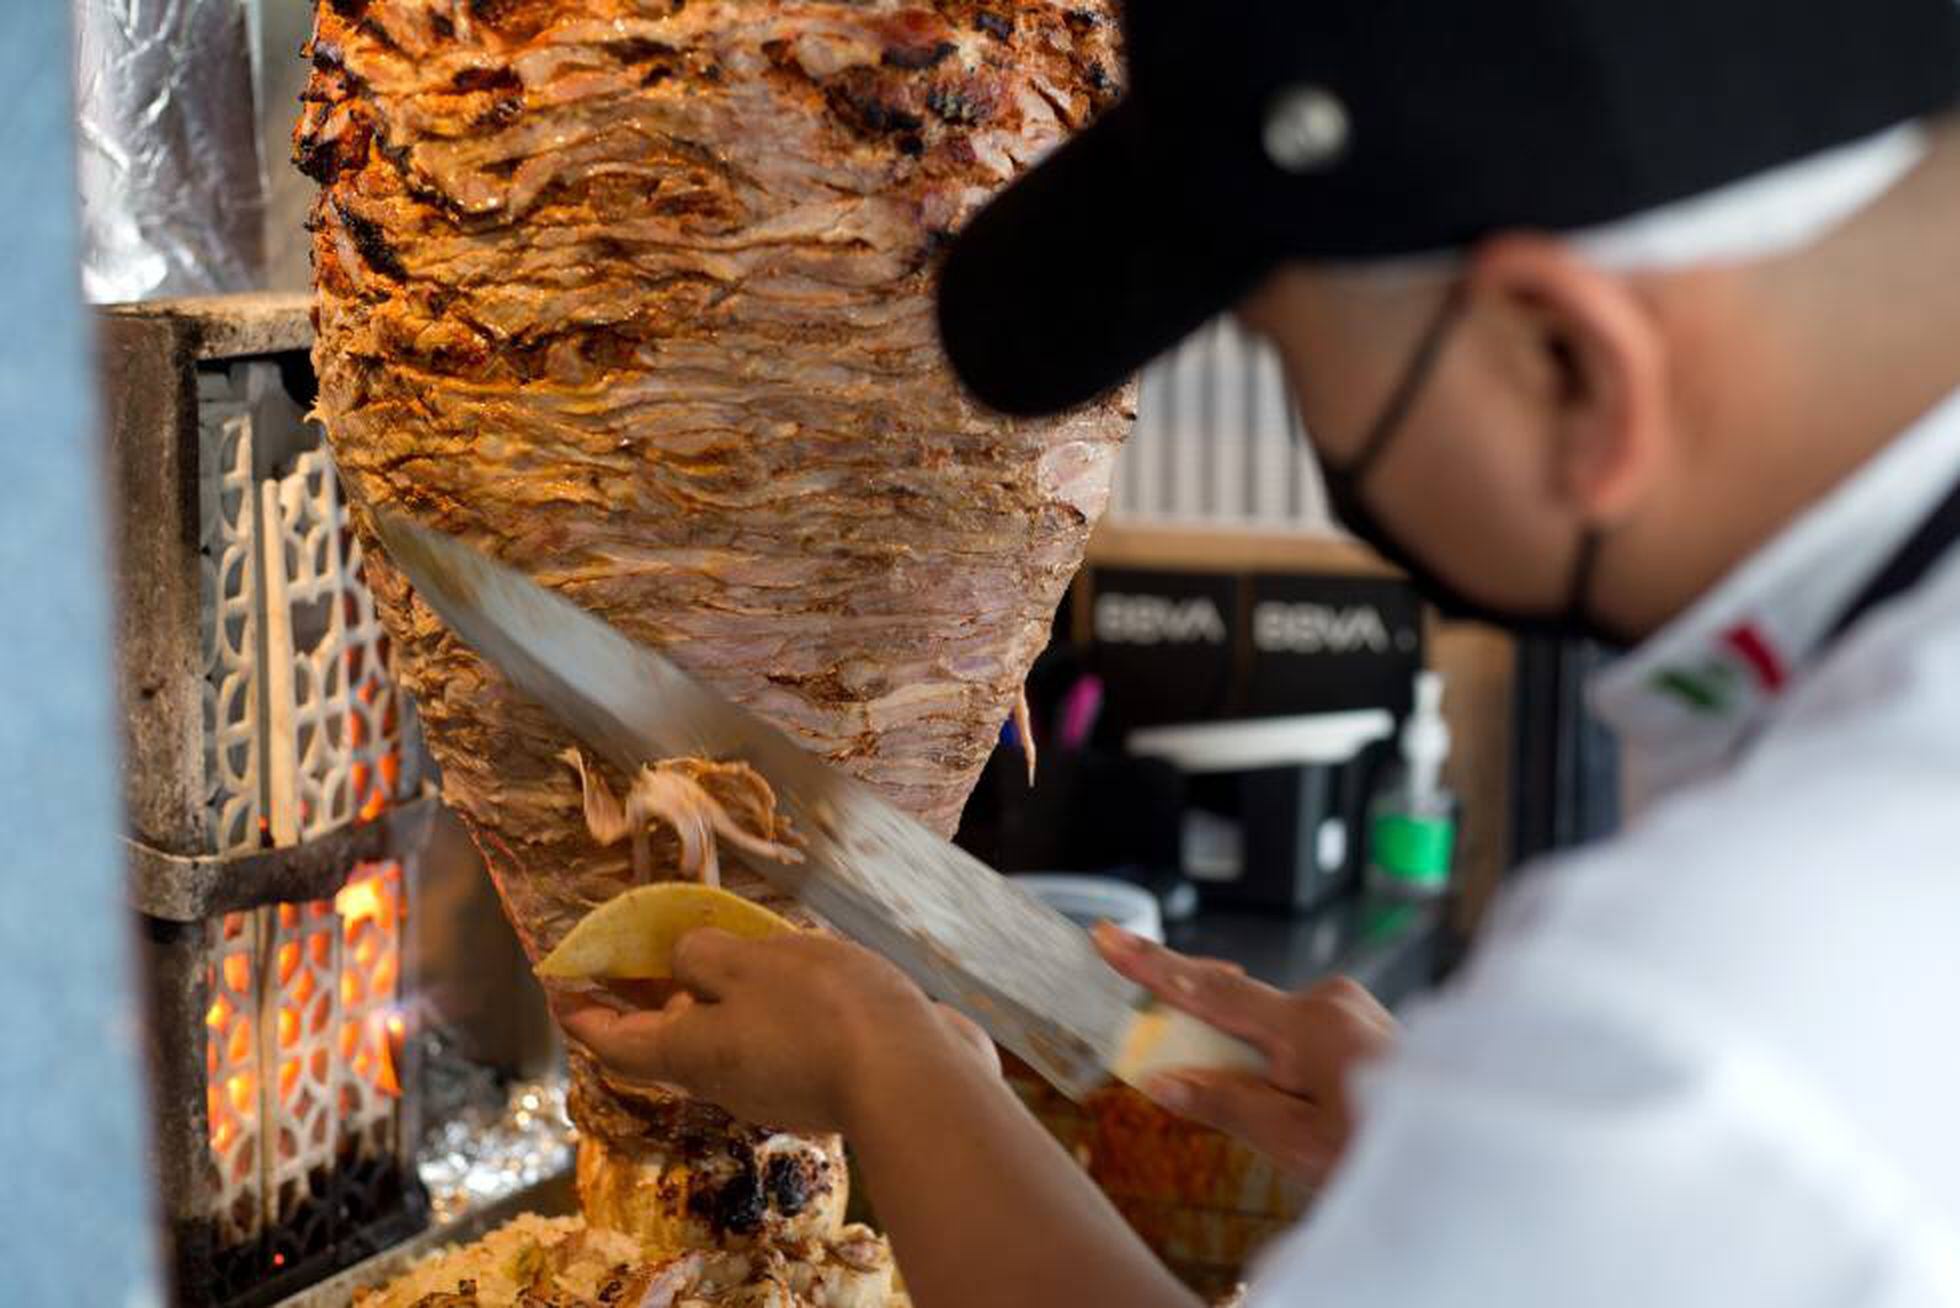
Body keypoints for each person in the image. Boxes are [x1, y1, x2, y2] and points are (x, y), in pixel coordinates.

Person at [557, 0, 1960, 1302]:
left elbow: (1705, 1107)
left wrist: (893, 1065)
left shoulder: (1720, 1032)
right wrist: (1478, 1174)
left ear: (1568, 364)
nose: (1307, 422)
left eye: (1281, 354)